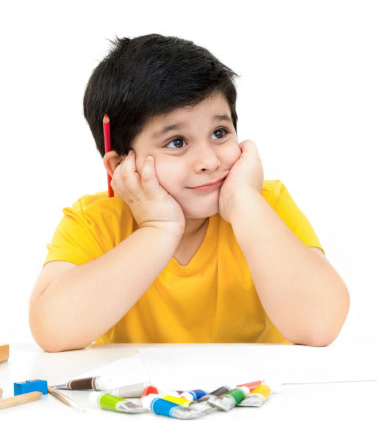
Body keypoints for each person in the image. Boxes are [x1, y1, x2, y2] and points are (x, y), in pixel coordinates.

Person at [29, 34, 350, 352]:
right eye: (177, 142)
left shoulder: (260, 204)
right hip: (144, 386)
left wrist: (243, 200)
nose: (209, 161)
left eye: (219, 133)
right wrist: (159, 228)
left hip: (255, 383)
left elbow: (320, 325)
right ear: (121, 165)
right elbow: (53, 331)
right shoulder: (95, 221)